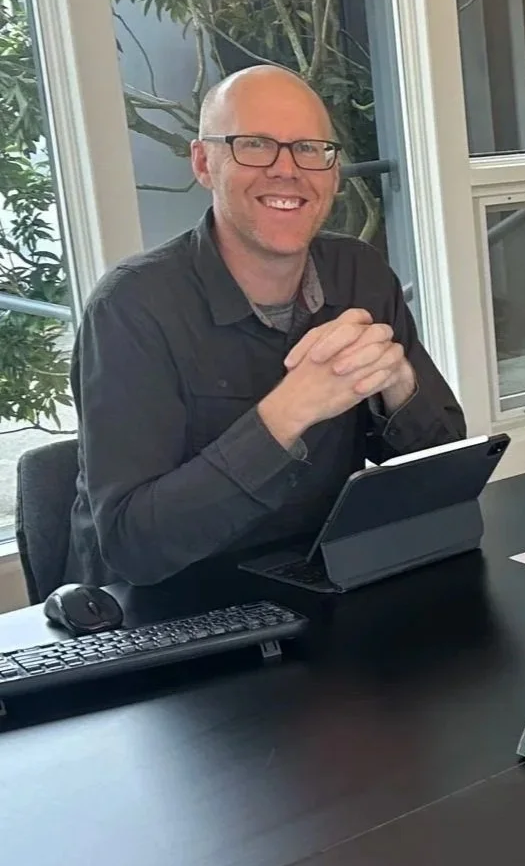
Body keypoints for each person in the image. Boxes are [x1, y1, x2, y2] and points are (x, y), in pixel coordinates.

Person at [67, 64, 466, 586]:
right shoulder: (132, 307)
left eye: (309, 149)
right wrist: (288, 411)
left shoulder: (359, 275)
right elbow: (132, 546)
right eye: (254, 145)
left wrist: (398, 384)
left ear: (333, 173)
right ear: (204, 163)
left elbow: (445, 475)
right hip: (168, 606)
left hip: (319, 578)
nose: (287, 169)